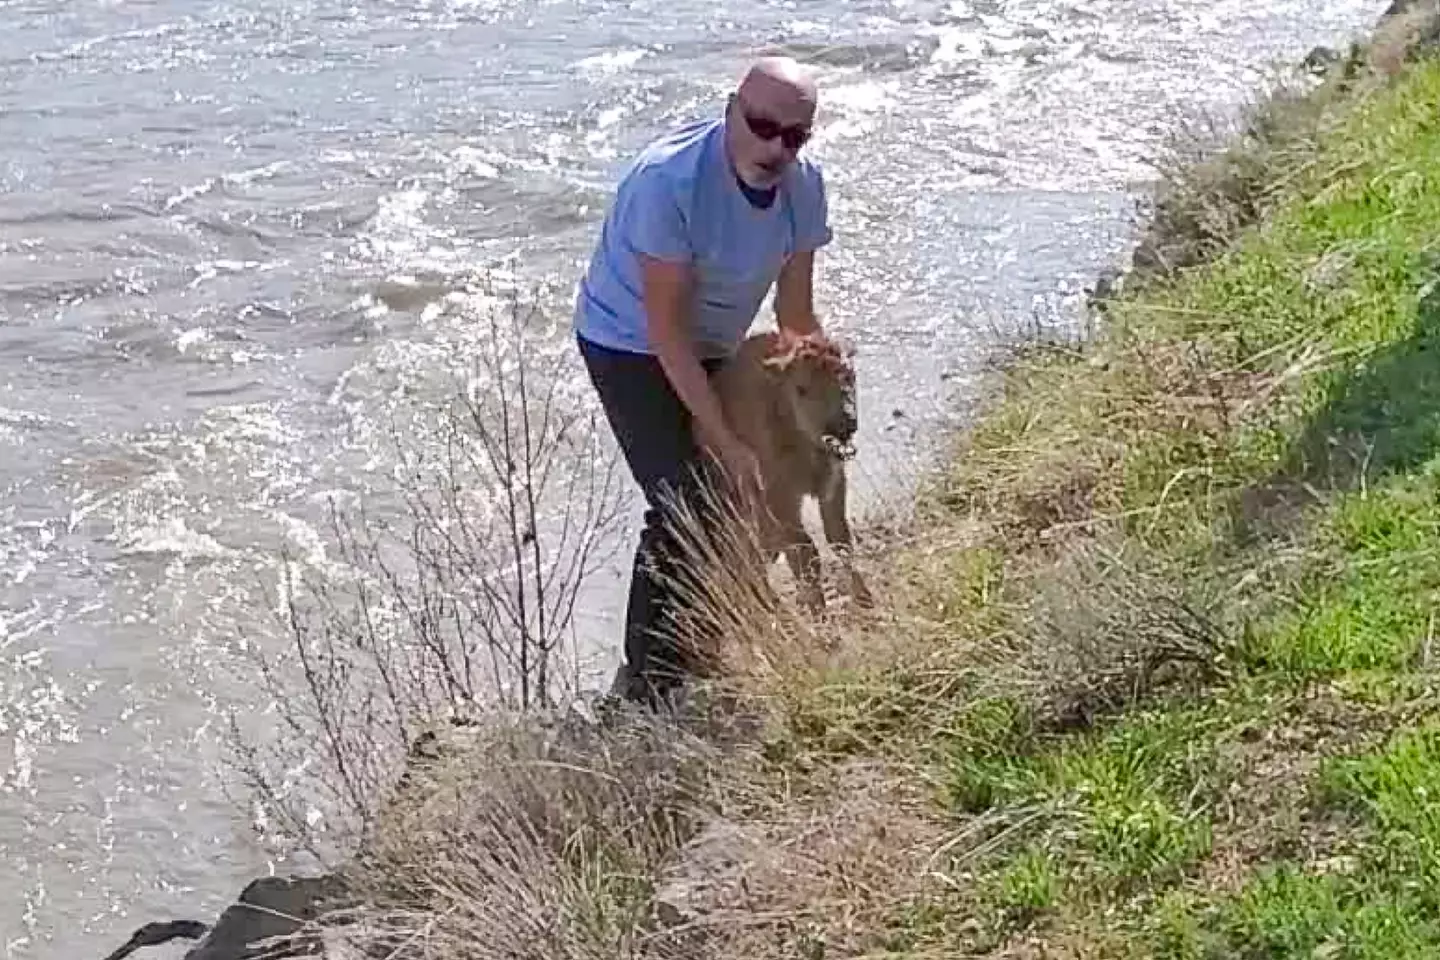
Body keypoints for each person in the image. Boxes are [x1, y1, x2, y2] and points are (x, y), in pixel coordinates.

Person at [572, 55, 833, 706]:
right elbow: (667, 333)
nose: (775, 146)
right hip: (629, 341)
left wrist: (826, 379)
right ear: (731, 111)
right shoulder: (670, 183)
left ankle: (709, 633)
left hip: (716, 341)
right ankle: (648, 687)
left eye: (793, 136)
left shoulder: (804, 189)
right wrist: (724, 438)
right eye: (762, 125)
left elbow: (795, 315)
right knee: (688, 497)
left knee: (762, 484)